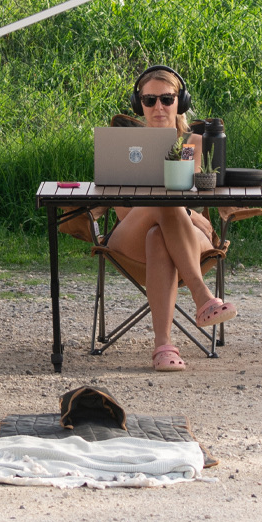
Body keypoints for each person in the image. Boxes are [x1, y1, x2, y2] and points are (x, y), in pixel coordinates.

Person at [105, 65, 236, 371]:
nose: (158, 107)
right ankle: (202, 296)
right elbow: (123, 212)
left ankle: (163, 346)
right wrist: (187, 212)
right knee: (162, 207)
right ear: (139, 104)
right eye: (149, 100)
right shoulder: (126, 147)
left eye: (166, 99)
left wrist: (186, 212)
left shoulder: (191, 143)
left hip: (188, 238)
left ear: (181, 102)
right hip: (132, 235)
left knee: (159, 236)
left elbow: (195, 190)